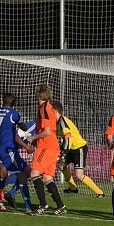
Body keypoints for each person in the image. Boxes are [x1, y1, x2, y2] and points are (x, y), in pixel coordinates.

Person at [51, 102, 105, 199]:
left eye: (50, 112)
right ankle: (73, 188)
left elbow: (68, 138)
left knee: (79, 174)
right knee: (60, 165)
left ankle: (100, 192)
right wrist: (62, 150)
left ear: (54, 111)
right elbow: (66, 140)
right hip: (71, 148)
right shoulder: (58, 123)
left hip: (79, 147)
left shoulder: (62, 122)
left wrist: (64, 153)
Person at [27, 84, 66, 215]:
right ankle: (60, 205)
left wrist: (33, 137)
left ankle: (43, 205)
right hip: (53, 146)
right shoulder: (49, 107)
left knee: (34, 173)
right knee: (47, 177)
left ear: (37, 94)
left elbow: (47, 131)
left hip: (45, 146)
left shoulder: (44, 108)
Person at [0, 93, 35, 212]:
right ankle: (28, 205)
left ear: (2, 101)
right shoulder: (13, 114)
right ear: (14, 103)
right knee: (21, 174)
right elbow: (24, 128)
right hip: (9, 148)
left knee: (25, 171)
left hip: (1, 146)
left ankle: (10, 194)